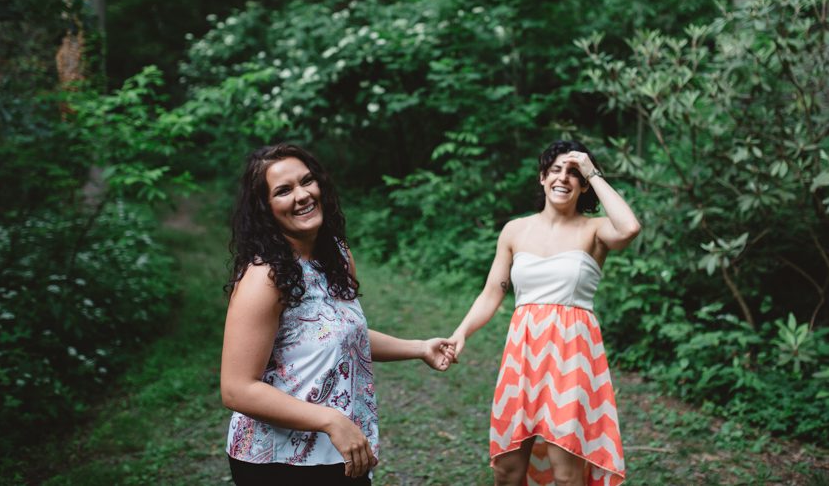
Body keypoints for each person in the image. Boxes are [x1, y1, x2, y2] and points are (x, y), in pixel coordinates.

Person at [220, 143, 455, 485]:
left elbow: (343, 338)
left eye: (307, 181)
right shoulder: (264, 277)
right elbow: (236, 388)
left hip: (341, 450)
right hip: (278, 461)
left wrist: (418, 348)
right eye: (284, 191)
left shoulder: (336, 257)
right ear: (265, 208)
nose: (302, 195)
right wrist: (331, 420)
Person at [446, 139, 640, 486]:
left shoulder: (595, 229)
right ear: (542, 178)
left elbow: (629, 228)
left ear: (583, 185)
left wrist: (591, 169)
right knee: (507, 470)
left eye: (573, 173)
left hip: (572, 358)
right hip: (522, 355)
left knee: (566, 475)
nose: (563, 178)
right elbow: (493, 292)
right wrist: (461, 332)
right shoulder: (515, 230)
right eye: (555, 170)